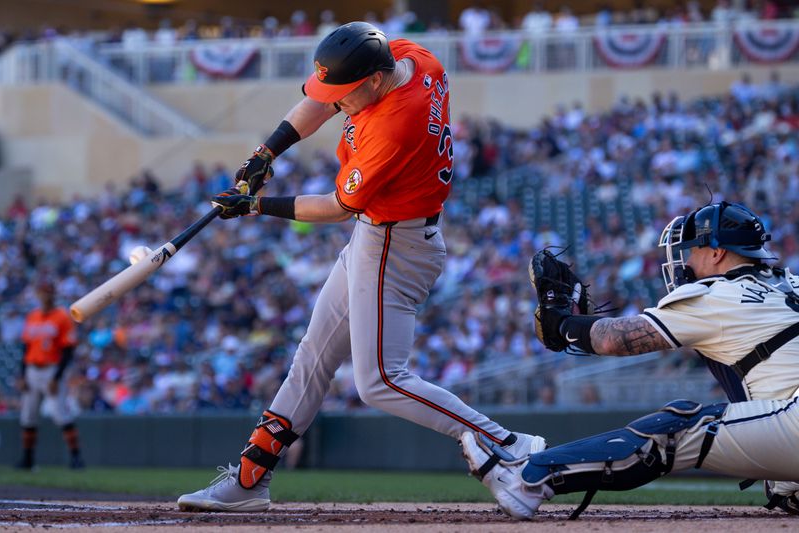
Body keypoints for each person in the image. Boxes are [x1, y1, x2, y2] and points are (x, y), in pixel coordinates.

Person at [177, 21, 545, 512]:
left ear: (374, 81)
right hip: (382, 235)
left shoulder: (396, 122)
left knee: (380, 382)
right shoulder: (409, 59)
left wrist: (255, 207)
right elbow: (325, 100)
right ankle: (249, 480)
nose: (336, 100)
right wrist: (268, 151)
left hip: (397, 243)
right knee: (312, 356)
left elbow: (338, 206)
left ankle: (510, 446)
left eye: (346, 92)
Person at [461, 201, 799, 519]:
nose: (686, 262)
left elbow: (614, 339)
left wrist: (563, 323)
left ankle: (527, 480)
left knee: (677, 428)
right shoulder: (790, 282)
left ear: (716, 252)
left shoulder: (720, 294)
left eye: (693, 249)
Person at [17, 280, 85, 470]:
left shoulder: (62, 317)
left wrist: (57, 377)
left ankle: (76, 457)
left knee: (60, 414)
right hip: (32, 370)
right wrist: (22, 375)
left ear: (53, 295)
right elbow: (26, 347)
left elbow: (68, 350)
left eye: (48, 292)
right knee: (28, 417)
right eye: (42, 292)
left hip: (51, 370)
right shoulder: (33, 316)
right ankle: (28, 460)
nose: (45, 295)